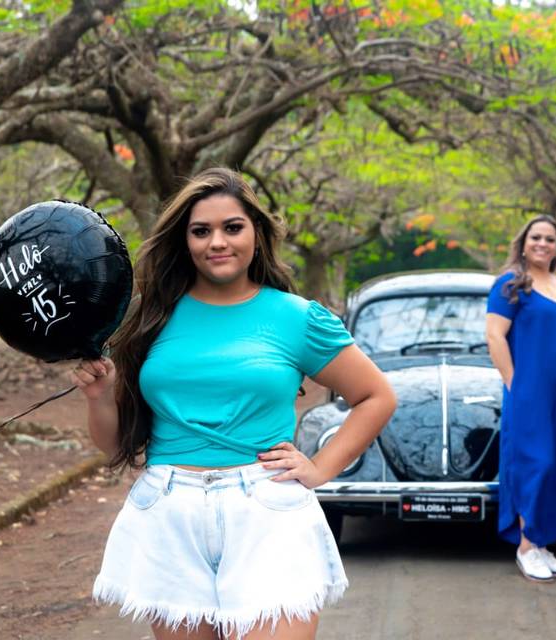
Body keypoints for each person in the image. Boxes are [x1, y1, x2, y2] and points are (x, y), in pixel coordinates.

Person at [71, 167, 397, 639]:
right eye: (201, 231)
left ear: (257, 235)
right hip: (171, 512)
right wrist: (99, 398)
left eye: (232, 227)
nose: (216, 242)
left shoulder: (296, 317)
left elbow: (376, 396)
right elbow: (114, 442)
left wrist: (321, 467)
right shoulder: (149, 318)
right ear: (184, 241)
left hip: (268, 513)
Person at [485, 215, 556, 583]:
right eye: (536, 237)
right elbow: (495, 337)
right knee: (534, 463)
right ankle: (526, 546)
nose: (543, 244)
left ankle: (541, 543)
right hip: (529, 392)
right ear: (523, 243)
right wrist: (515, 384)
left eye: (550, 239)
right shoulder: (510, 284)